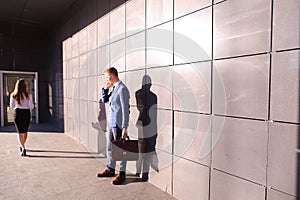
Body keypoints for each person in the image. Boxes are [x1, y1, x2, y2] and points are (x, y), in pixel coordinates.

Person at [97, 67, 130, 185]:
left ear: (111, 75)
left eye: (107, 77)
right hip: (111, 123)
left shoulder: (122, 89)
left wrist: (125, 127)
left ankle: (122, 173)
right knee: (110, 147)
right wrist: (105, 88)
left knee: (120, 149)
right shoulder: (114, 88)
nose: (107, 79)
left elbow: (126, 110)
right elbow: (105, 100)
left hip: (118, 124)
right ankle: (110, 169)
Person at [135, 75, 159, 181]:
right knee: (147, 150)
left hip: (142, 124)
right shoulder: (153, 96)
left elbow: (139, 108)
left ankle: (138, 171)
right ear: (150, 84)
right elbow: (154, 114)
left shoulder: (138, 93)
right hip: (150, 125)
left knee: (141, 149)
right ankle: (144, 174)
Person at [10, 79, 34, 156]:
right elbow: (31, 106)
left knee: (20, 132)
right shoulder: (29, 95)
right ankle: (22, 145)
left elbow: (12, 106)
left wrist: (18, 106)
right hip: (26, 113)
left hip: (18, 113)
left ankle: (22, 147)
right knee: (25, 131)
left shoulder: (13, 95)